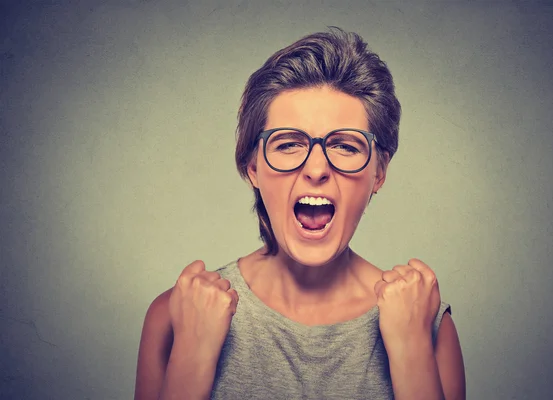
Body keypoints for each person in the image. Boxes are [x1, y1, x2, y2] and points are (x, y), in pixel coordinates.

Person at [134, 27, 466, 400]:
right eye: (289, 143)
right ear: (253, 167)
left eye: (345, 145)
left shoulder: (428, 324)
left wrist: (410, 352)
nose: (316, 169)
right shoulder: (175, 316)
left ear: (379, 172)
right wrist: (192, 359)